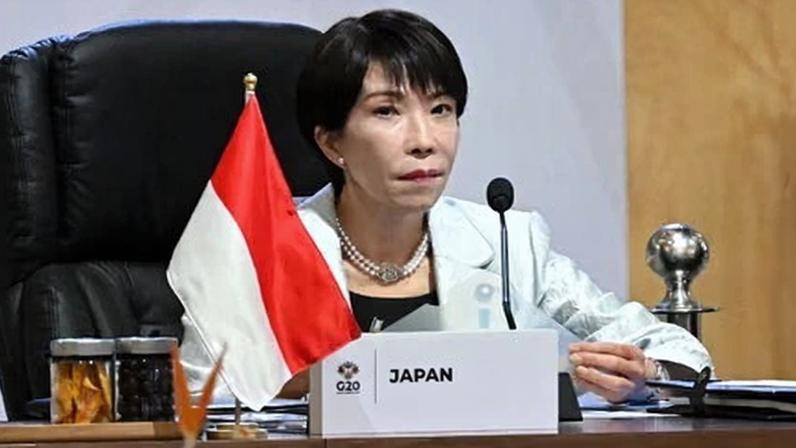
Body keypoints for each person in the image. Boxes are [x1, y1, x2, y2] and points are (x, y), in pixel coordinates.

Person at [182, 9, 712, 404]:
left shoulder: (509, 241)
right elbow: (194, 403)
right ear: (332, 143)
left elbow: (682, 354)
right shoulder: (263, 255)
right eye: (388, 111)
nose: (424, 140)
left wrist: (648, 374)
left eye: (441, 110)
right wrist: (301, 389)